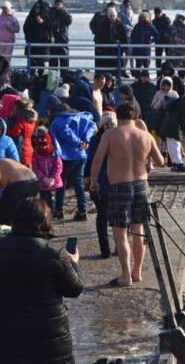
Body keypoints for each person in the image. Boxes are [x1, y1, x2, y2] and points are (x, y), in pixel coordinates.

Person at [0, 197, 83, 364]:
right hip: (50, 337)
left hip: (10, 333)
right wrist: (75, 262)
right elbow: (75, 289)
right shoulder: (54, 254)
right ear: (45, 222)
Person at [90, 102, 164, 287]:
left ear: (118, 116)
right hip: (141, 185)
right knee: (138, 231)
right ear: (136, 117)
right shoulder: (145, 136)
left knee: (120, 233)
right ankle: (137, 272)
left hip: (118, 186)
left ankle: (125, 276)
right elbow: (161, 160)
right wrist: (147, 162)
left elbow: (98, 159)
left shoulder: (110, 134)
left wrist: (93, 181)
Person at [46, 95, 96, 221]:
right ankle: (82, 210)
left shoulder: (58, 120)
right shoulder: (79, 115)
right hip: (81, 155)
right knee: (78, 183)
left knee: (61, 183)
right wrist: (85, 140)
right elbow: (92, 125)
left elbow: (66, 132)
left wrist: (78, 142)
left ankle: (58, 210)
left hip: (66, 156)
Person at [84, 110, 116, 258]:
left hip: (115, 181)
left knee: (115, 217)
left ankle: (118, 247)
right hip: (102, 182)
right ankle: (105, 249)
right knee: (103, 216)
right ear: (102, 125)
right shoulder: (96, 140)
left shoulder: (117, 137)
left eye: (111, 124)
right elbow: (91, 160)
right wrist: (89, 178)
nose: (109, 127)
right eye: (106, 124)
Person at [31, 125, 62, 210]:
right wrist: (44, 178)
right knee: (44, 200)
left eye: (45, 145)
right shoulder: (36, 153)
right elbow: (35, 167)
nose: (43, 147)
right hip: (42, 183)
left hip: (54, 182)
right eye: (41, 145)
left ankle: (57, 212)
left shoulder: (54, 152)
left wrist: (52, 178)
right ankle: (45, 214)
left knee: (54, 200)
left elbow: (58, 166)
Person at [0, 158, 38, 225]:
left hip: (19, 183)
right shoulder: (5, 160)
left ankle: (7, 228)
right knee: (26, 208)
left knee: (6, 213)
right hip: (34, 180)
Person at [23, 0, 52, 77]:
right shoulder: (31, 16)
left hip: (42, 44)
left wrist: (42, 22)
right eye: (36, 7)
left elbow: (50, 28)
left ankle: (40, 77)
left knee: (41, 62)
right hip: (32, 43)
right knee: (31, 62)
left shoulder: (46, 17)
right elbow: (25, 28)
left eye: (39, 7)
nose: (37, 9)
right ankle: (31, 77)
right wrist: (28, 38)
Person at [6, 97, 38, 167]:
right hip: (28, 148)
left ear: (18, 108)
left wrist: (5, 129)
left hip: (20, 149)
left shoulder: (20, 121)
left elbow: (14, 133)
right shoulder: (31, 119)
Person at [95, 7, 127, 77]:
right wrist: (100, 47)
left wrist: (124, 47)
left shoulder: (119, 24)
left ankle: (117, 80)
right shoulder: (103, 24)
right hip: (106, 50)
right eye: (110, 16)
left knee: (117, 69)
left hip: (117, 50)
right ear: (108, 16)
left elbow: (124, 37)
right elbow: (99, 37)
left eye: (113, 16)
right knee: (107, 71)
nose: (112, 18)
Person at [166, 13, 185, 80]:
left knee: (176, 69)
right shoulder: (173, 27)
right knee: (177, 70)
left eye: (181, 19)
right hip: (178, 52)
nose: (180, 20)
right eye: (180, 19)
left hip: (176, 51)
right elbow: (166, 37)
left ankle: (177, 83)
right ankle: (177, 82)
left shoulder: (173, 27)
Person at [89, 0, 116, 71]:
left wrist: (96, 33)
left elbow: (91, 24)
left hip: (100, 41)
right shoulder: (114, 16)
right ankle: (108, 77)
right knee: (108, 61)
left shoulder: (98, 14)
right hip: (109, 42)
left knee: (99, 61)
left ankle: (99, 76)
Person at [49, 0, 72, 76]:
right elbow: (48, 22)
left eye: (59, 4)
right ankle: (52, 81)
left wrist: (62, 11)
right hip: (53, 40)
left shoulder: (65, 13)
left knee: (64, 62)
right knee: (53, 63)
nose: (57, 6)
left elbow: (69, 20)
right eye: (56, 4)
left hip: (63, 40)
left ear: (62, 5)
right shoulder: (51, 12)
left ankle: (65, 78)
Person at [130, 11, 158, 77]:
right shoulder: (137, 26)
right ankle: (137, 80)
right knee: (138, 66)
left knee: (146, 67)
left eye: (144, 17)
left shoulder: (149, 26)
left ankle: (145, 81)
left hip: (146, 50)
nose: (143, 19)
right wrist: (135, 43)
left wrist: (151, 41)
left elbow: (157, 35)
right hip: (138, 50)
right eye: (141, 17)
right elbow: (132, 36)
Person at [117, 0, 135, 77]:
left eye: (129, 4)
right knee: (126, 54)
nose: (128, 6)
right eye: (127, 4)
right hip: (123, 35)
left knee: (131, 53)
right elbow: (119, 23)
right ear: (124, 5)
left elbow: (133, 21)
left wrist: (133, 27)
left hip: (131, 35)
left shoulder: (131, 12)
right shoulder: (120, 13)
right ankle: (123, 70)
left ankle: (132, 69)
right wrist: (127, 27)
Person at [152, 7, 171, 75]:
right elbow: (153, 31)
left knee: (168, 58)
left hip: (166, 41)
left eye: (158, 14)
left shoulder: (166, 19)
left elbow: (167, 29)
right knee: (158, 58)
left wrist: (158, 34)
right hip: (158, 42)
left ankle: (168, 73)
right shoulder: (154, 21)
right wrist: (154, 38)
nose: (157, 15)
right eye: (156, 14)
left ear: (161, 13)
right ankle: (158, 73)